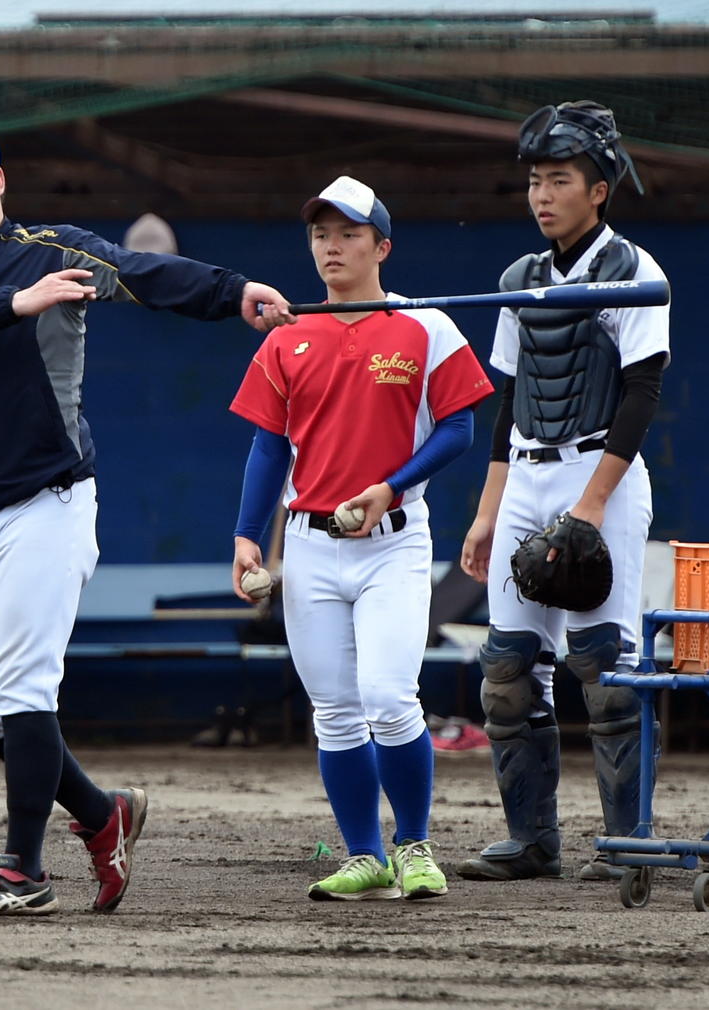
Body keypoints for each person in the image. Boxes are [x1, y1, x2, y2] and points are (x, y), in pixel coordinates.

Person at [0, 115, 293, 917]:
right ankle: (105, 815)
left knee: (27, 689)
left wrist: (235, 290)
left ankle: (22, 870)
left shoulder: (54, 249)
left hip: (48, 502)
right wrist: (18, 303)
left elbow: (146, 273)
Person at [229, 176, 494, 901]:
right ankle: (364, 855)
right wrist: (247, 538)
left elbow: (461, 427)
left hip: (393, 541)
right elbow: (267, 448)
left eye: (348, 233)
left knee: (387, 695)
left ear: (382, 245)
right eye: (320, 234)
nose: (331, 246)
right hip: (311, 546)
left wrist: (390, 486)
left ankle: (413, 846)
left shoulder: (427, 325)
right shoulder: (289, 333)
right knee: (336, 712)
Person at [456, 102, 669, 883]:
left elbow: (643, 393)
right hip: (524, 471)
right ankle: (533, 841)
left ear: (599, 189)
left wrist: (592, 503)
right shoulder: (519, 278)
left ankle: (627, 841)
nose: (543, 194)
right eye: (536, 181)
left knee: (604, 667)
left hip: (595, 471)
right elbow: (507, 400)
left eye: (560, 180)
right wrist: (486, 516)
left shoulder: (636, 270)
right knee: (508, 669)